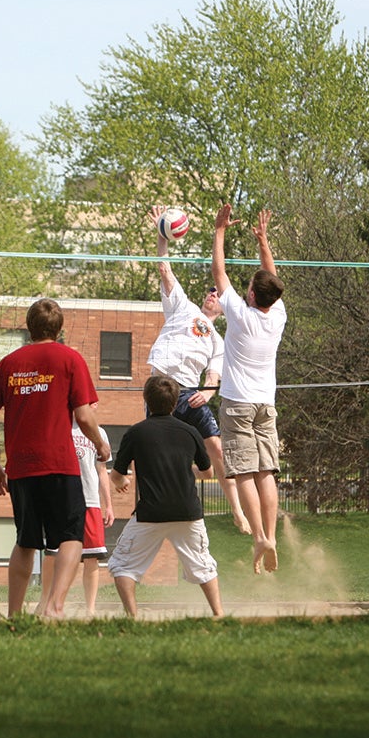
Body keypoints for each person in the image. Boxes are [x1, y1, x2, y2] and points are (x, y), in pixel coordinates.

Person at [0, 298, 109, 619]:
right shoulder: (70, 359)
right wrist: (100, 445)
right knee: (71, 538)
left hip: (20, 467)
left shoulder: (10, 363)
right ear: (60, 328)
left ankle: (14, 615)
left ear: (28, 326)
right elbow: (85, 415)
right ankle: (54, 606)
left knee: (26, 541)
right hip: (59, 463)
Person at [148, 207, 249, 533]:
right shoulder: (182, 307)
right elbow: (164, 270)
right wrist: (162, 238)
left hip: (190, 394)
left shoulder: (219, 339)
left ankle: (237, 511)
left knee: (218, 448)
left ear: (225, 306)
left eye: (218, 294)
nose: (212, 294)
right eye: (211, 290)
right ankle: (158, 502)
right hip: (162, 388)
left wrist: (207, 392)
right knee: (157, 454)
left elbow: (213, 376)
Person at [107, 375, 223, 618]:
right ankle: (219, 614)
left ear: (146, 401)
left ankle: (133, 617)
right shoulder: (191, 432)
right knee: (203, 565)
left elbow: (116, 475)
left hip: (151, 513)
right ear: (174, 404)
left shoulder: (136, 433)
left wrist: (122, 482)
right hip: (188, 512)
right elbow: (207, 472)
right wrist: (182, 468)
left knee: (121, 565)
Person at [211, 203, 287, 574]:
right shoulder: (278, 315)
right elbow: (272, 278)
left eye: (249, 287)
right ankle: (271, 535)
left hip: (238, 405)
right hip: (265, 405)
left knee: (242, 473)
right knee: (266, 473)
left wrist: (219, 230)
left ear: (253, 296)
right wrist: (263, 242)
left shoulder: (240, 316)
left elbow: (218, 271)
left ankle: (259, 536)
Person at [38, 408, 113, 616]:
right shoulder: (60, 428)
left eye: (93, 402)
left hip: (90, 501)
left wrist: (108, 504)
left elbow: (102, 471)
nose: (91, 406)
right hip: (62, 500)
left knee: (92, 557)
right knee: (53, 554)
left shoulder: (99, 433)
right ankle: (45, 601)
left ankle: (90, 609)